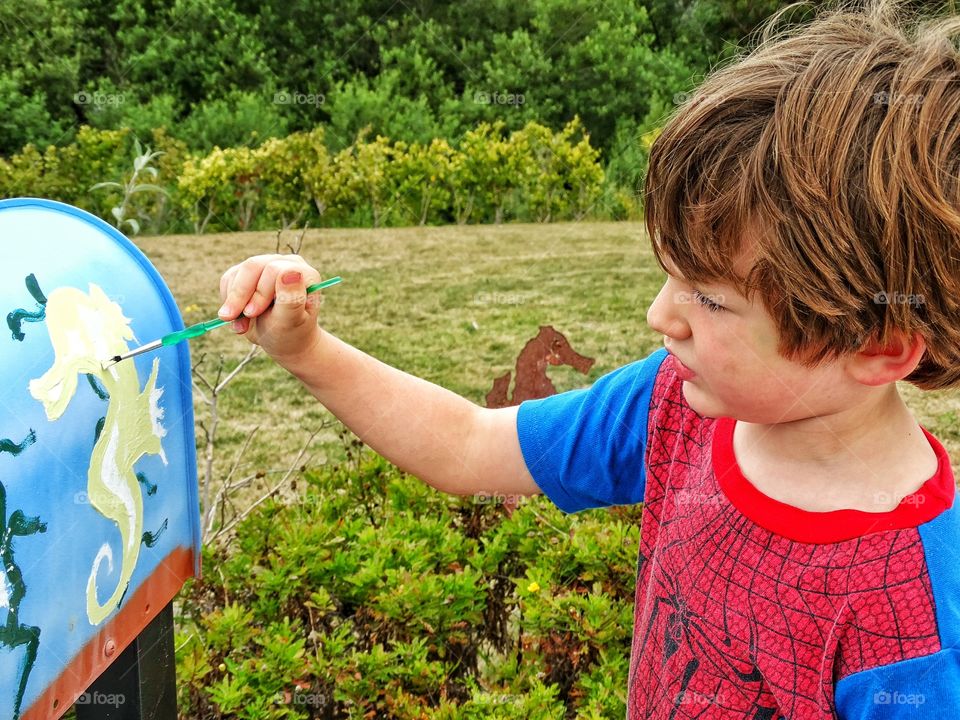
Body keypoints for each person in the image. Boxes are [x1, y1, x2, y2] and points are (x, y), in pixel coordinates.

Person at [216, 1, 960, 716]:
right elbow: (468, 444)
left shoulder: (916, 627)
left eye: (709, 299)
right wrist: (305, 349)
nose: (659, 316)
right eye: (670, 275)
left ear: (879, 346)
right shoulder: (672, 404)